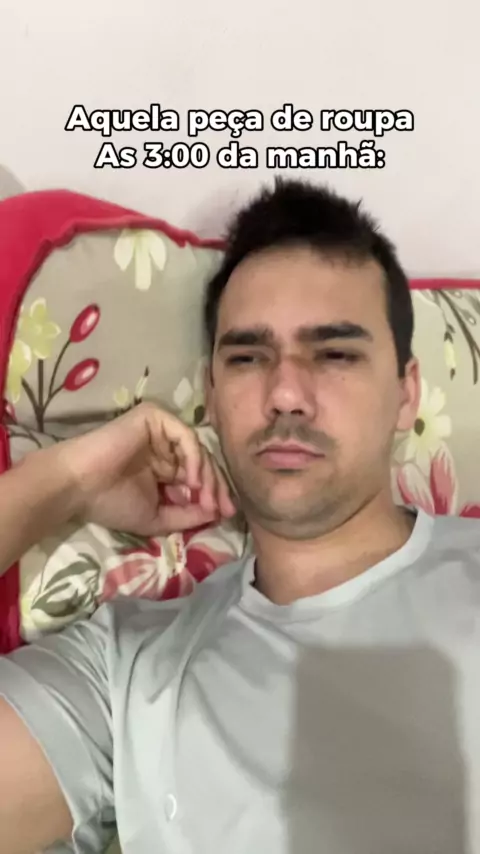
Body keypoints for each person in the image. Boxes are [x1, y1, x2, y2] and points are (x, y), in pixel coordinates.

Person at [0, 179, 478, 854]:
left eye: (335, 354)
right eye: (249, 357)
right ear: (214, 394)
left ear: (407, 395)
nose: (285, 393)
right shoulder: (128, 672)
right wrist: (66, 482)